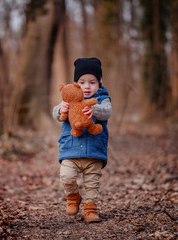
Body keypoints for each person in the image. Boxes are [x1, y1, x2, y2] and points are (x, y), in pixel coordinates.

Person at [52, 57, 112, 223]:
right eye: (82, 82)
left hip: (94, 152)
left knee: (92, 184)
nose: (87, 86)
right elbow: (56, 113)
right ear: (76, 84)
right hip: (70, 151)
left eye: (92, 82)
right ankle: (73, 197)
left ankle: (90, 209)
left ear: (99, 84)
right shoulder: (68, 99)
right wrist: (60, 109)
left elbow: (107, 112)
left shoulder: (102, 99)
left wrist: (95, 109)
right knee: (67, 176)